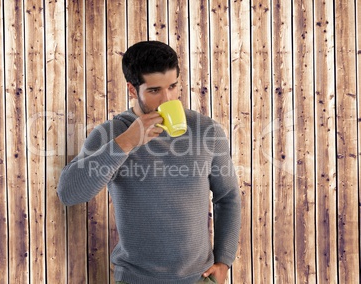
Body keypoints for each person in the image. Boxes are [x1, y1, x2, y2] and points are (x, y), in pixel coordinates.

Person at [57, 41, 241, 284]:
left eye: (173, 87)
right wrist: (126, 143)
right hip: (135, 279)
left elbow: (227, 196)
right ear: (132, 90)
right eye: (154, 91)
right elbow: (69, 194)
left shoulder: (207, 131)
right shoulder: (111, 134)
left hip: (200, 278)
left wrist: (224, 260)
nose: (167, 99)